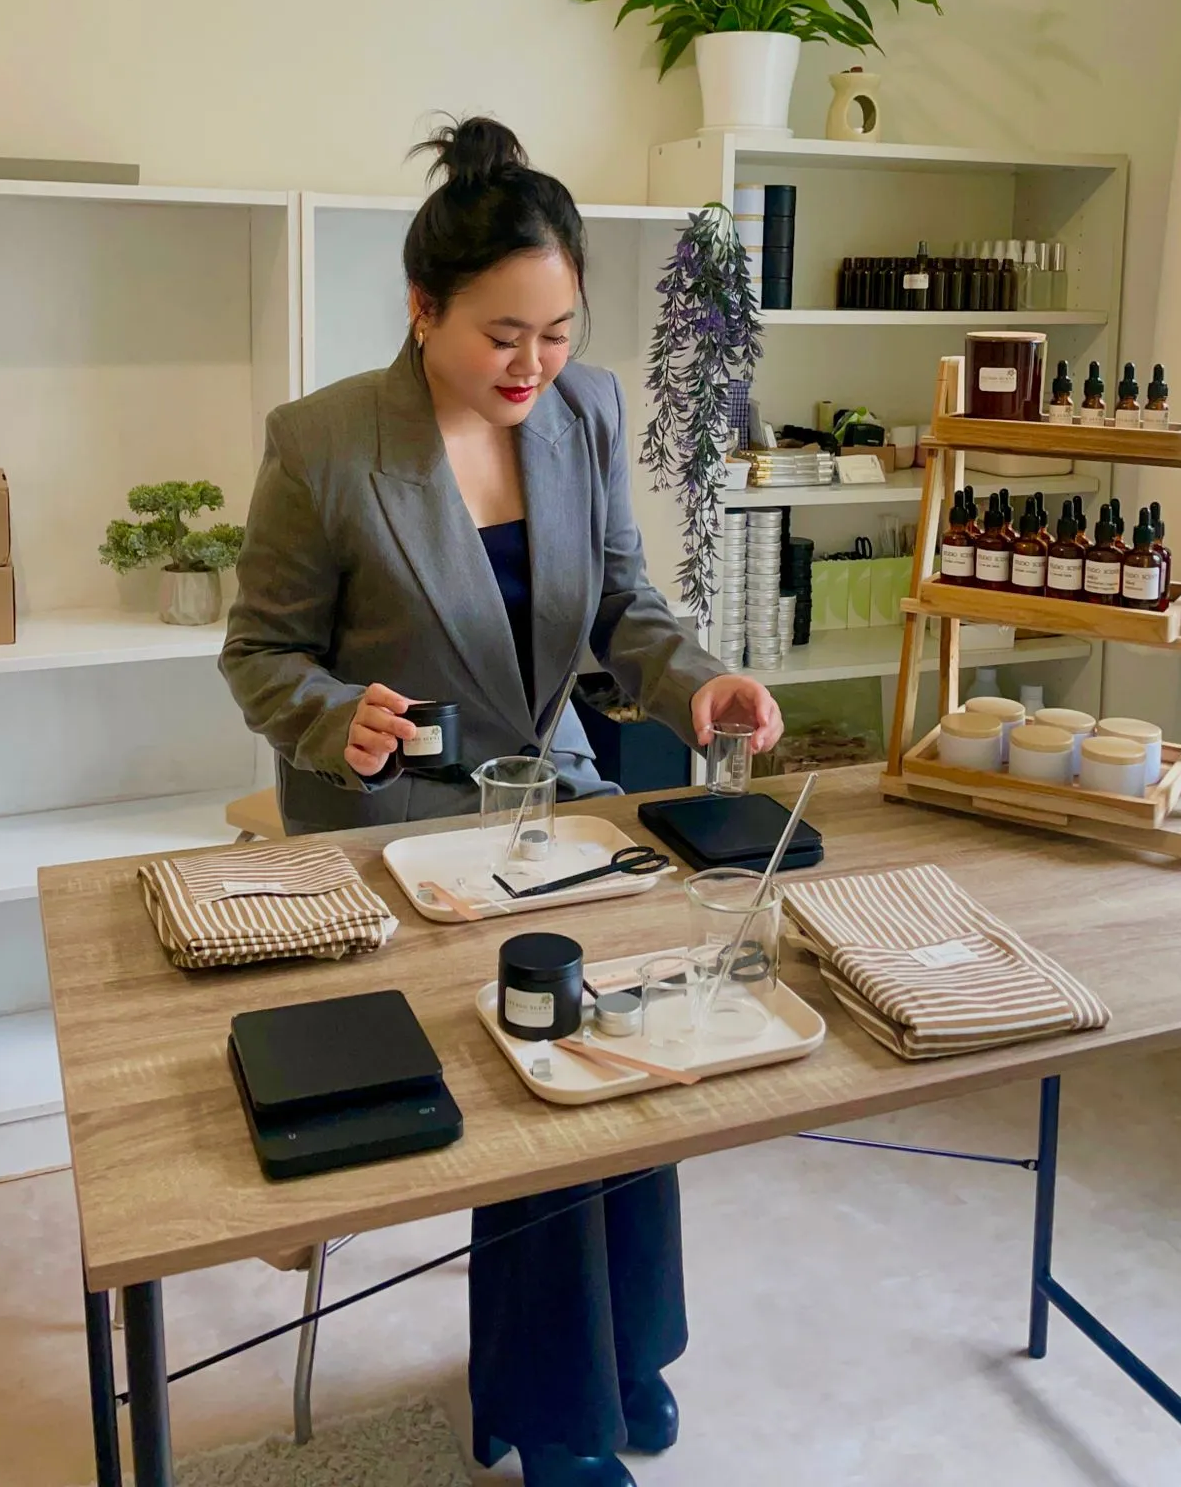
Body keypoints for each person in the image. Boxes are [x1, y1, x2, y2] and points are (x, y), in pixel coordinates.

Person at [220, 116, 782, 1487]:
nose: (536, 366)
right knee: (538, 1068)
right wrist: (327, 720)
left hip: (550, 800)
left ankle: (624, 1353)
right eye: (502, 336)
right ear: (423, 311)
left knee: (637, 1046)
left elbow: (628, 607)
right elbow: (258, 652)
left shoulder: (585, 413)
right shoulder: (326, 444)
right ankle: (554, 1418)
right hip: (390, 826)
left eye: (559, 329)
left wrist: (696, 683)